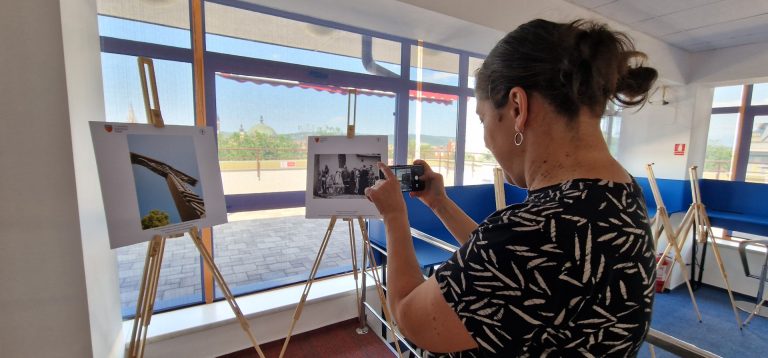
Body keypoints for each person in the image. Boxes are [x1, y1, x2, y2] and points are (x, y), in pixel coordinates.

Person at [365, 19, 657, 357]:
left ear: (517, 107)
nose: (487, 140)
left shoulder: (533, 231)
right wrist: (439, 203)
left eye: (484, 119)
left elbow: (412, 318)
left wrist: (394, 216)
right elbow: (517, 271)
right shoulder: (621, 193)